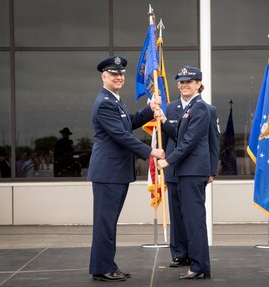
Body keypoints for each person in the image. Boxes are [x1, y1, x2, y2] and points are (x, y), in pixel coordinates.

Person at [87, 56, 165, 282]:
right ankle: (102, 268)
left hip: (115, 172)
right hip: (108, 173)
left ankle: (107, 265)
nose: (119, 77)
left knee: (109, 222)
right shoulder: (104, 102)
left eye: (121, 74)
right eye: (113, 74)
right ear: (104, 77)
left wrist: (149, 109)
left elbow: (128, 123)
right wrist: (151, 152)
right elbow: (121, 136)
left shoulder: (114, 100)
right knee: (105, 223)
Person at [157, 66, 213, 280]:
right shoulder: (191, 108)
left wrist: (167, 161)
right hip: (186, 171)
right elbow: (180, 135)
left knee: (194, 220)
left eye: (189, 81)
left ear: (199, 84)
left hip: (192, 172)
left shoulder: (200, 108)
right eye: (181, 82)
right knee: (189, 219)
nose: (184, 85)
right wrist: (163, 120)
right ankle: (198, 265)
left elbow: (189, 142)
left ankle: (199, 267)